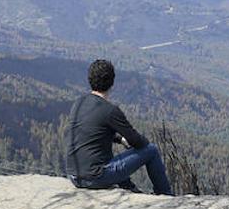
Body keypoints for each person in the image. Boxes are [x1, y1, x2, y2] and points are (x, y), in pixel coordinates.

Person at [65, 59, 174, 196]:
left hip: (74, 176)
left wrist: (120, 139)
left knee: (102, 151)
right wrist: (131, 140)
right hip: (95, 178)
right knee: (151, 150)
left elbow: (94, 133)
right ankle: (165, 195)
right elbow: (138, 142)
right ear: (112, 83)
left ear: (90, 80)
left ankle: (130, 188)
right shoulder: (110, 111)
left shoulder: (79, 103)